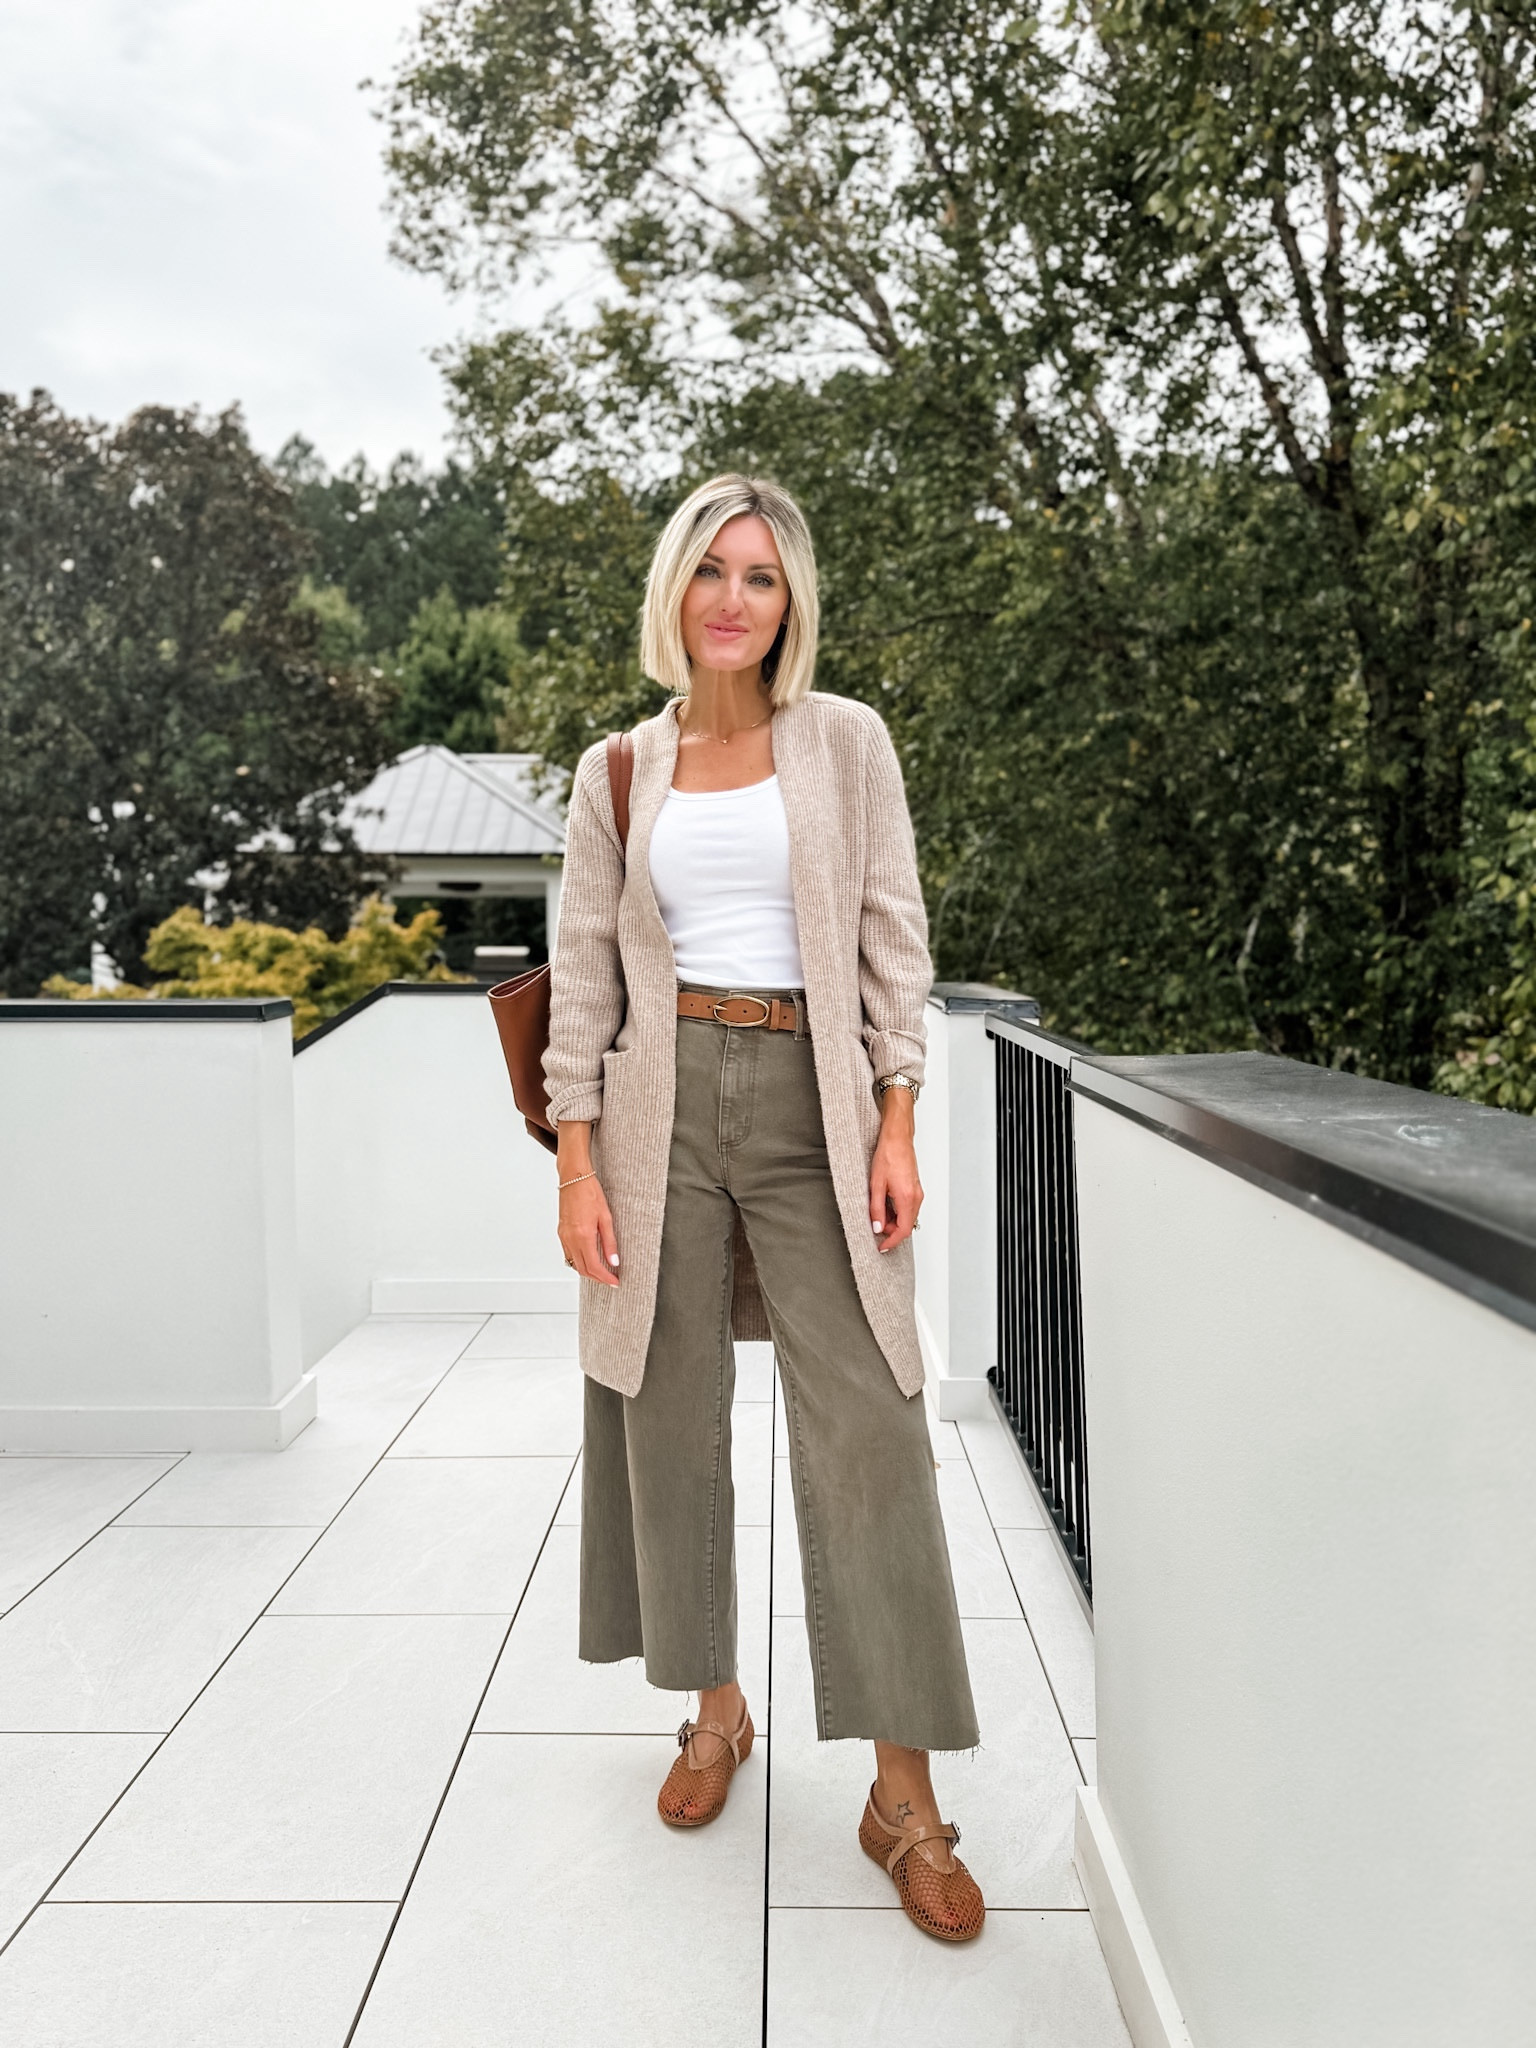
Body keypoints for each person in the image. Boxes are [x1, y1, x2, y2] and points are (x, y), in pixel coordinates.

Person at [543, 473, 984, 1943]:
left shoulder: (844, 743)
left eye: (764, 578)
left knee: (868, 1420)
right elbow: (588, 974)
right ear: (675, 592)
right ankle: (715, 1712)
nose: (736, 599)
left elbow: (892, 931)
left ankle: (901, 1794)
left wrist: (902, 1111)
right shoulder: (618, 769)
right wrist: (578, 1159)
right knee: (662, 1414)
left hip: (817, 1102)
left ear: (792, 603)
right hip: (659, 1107)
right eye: (712, 573)